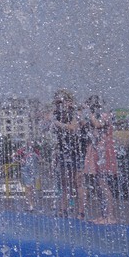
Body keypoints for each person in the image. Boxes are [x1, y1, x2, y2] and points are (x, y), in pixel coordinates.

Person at [51, 89, 87, 219]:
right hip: (62, 151)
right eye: (56, 103)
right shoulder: (57, 114)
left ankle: (81, 212)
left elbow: (73, 128)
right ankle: (63, 209)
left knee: (78, 182)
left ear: (68, 102)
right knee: (64, 182)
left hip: (76, 151)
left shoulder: (75, 113)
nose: (58, 105)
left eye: (61, 102)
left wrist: (56, 123)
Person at [83, 95, 118, 225]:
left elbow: (98, 125)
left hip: (104, 152)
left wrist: (90, 114)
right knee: (98, 183)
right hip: (97, 151)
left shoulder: (105, 115)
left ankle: (110, 216)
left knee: (104, 184)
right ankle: (103, 215)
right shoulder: (99, 116)